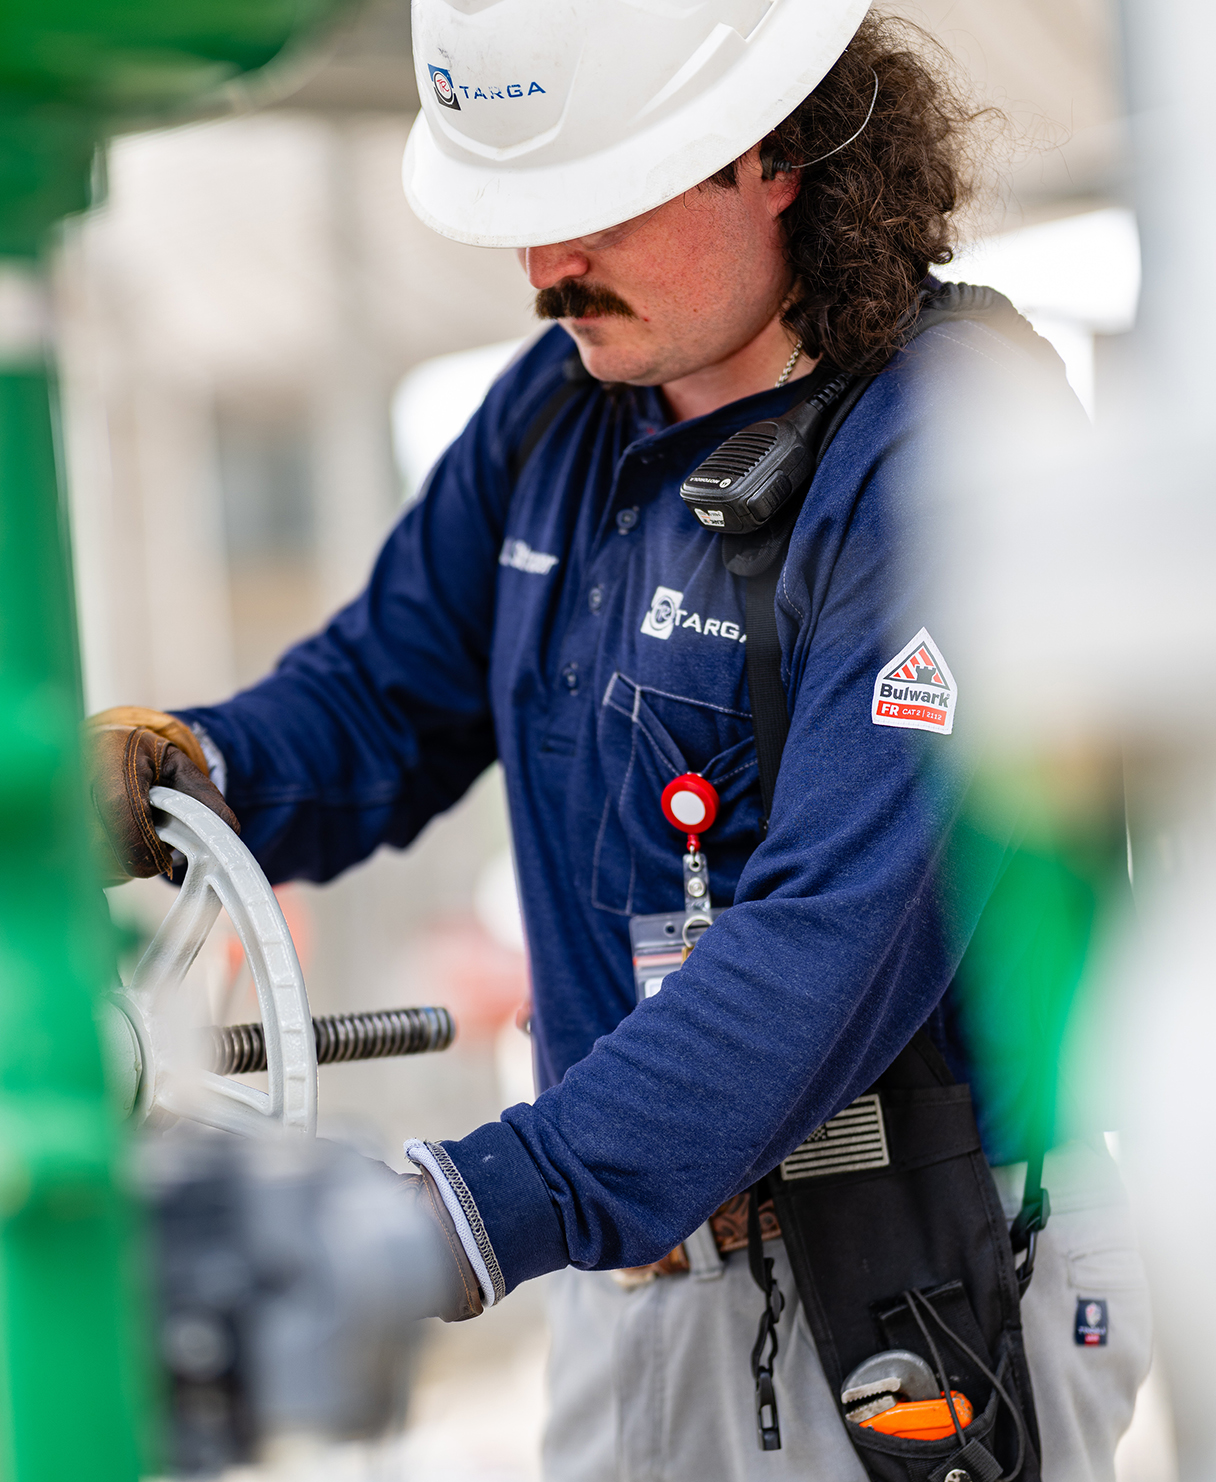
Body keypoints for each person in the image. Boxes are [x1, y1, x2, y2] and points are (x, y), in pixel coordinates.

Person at [88, 5, 1151, 1477]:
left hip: (911, 1281)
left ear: (770, 151)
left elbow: (828, 941)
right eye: (515, 216)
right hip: (633, 1273)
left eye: (586, 204)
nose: (543, 272)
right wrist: (179, 778)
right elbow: (379, 699)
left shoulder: (943, 455)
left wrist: (468, 1209)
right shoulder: (561, 412)